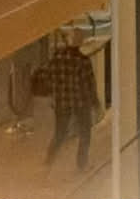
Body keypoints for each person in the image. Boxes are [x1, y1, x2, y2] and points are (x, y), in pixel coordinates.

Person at [38, 28, 98, 170]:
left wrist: (53, 95)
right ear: (80, 43)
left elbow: (47, 77)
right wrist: (94, 101)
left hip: (61, 102)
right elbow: (88, 84)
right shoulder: (83, 61)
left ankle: (48, 163)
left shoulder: (56, 58)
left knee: (60, 134)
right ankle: (81, 164)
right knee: (85, 133)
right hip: (80, 102)